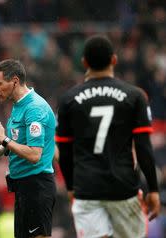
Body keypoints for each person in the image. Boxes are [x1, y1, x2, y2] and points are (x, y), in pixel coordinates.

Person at [56, 35, 160, 238]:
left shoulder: (68, 100)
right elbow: (143, 147)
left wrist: (70, 186)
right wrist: (153, 189)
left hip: (86, 188)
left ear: (84, 62)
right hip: (123, 187)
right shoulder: (135, 96)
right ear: (114, 59)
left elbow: (65, 151)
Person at [0, 59, 56, 238]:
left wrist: (4, 139)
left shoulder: (34, 109)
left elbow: (34, 154)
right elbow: (19, 141)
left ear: (14, 81)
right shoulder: (18, 105)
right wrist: (3, 149)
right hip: (24, 186)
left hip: (37, 186)